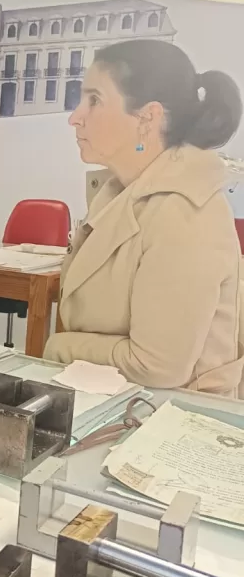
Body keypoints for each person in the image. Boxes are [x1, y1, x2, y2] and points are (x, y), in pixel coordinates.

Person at [44, 39, 243, 394]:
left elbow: (157, 366)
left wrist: (59, 347)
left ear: (147, 118)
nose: (75, 117)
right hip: (122, 404)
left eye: (94, 100)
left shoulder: (185, 212)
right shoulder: (120, 191)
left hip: (170, 417)